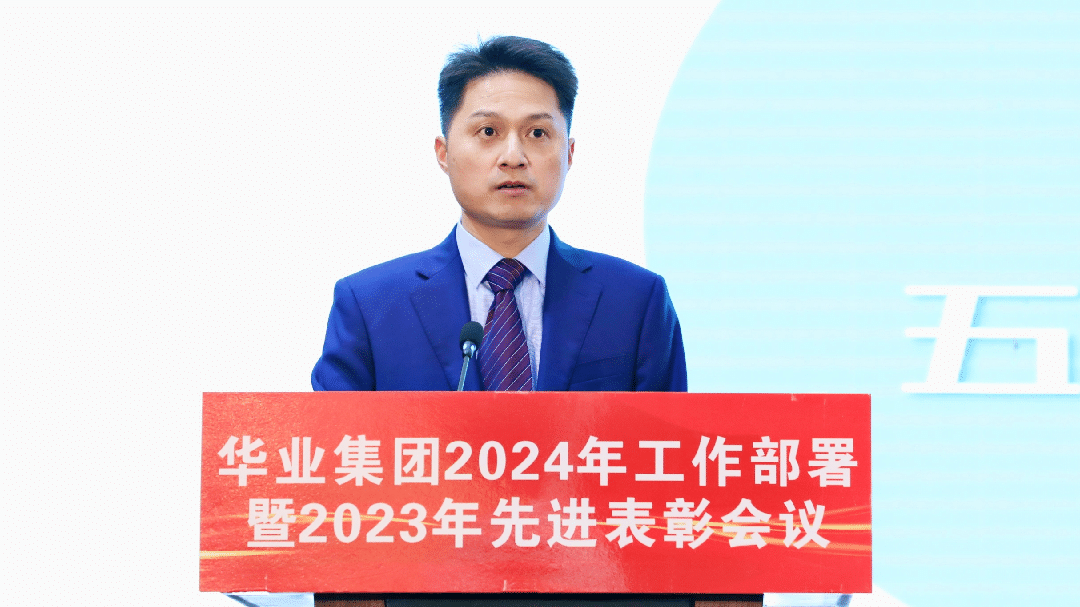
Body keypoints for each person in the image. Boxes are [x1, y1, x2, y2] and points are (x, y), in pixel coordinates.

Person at [311, 35, 686, 392]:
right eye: (488, 131)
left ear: (569, 153)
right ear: (443, 153)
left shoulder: (635, 301)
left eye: (537, 134)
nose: (513, 157)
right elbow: (335, 438)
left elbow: (666, 436)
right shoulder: (369, 306)